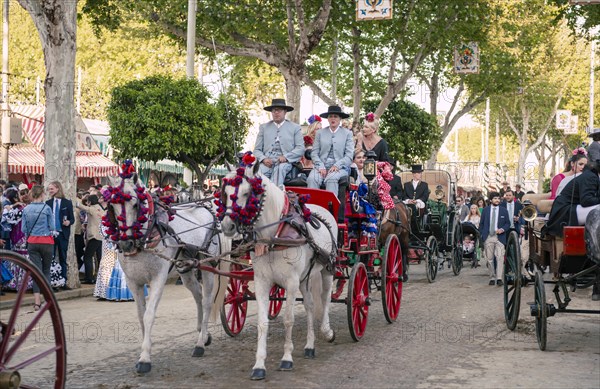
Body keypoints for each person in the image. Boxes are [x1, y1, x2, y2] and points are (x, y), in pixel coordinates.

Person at [253, 98, 304, 186]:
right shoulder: (264, 127)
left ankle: (275, 197)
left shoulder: (295, 127)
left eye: (279, 110)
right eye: (274, 110)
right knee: (256, 175)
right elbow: (256, 150)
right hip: (267, 162)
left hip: (285, 162)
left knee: (280, 169)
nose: (276, 112)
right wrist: (264, 159)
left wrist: (286, 157)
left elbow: (300, 148)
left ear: (285, 112)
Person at [21, 185, 56, 311]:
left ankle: (37, 302)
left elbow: (23, 229)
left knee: (36, 272)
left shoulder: (26, 209)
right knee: (46, 270)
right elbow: (52, 226)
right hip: (47, 241)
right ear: (42, 195)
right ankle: (48, 299)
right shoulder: (47, 208)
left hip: (32, 242)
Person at [307, 105, 354, 196]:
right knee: (312, 179)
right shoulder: (320, 133)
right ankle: (312, 208)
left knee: (331, 179)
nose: (333, 119)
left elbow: (349, 156)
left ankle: (330, 209)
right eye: (330, 116)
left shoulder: (347, 133)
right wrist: (320, 166)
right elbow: (314, 153)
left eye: (335, 116)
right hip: (321, 166)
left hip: (340, 167)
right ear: (327, 119)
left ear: (340, 119)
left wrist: (337, 165)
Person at [546, 161, 600, 237]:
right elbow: (586, 201)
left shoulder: (590, 175)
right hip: (565, 213)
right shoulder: (590, 176)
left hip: (567, 210)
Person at [46, 181, 75, 286]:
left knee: (63, 258)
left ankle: (63, 281)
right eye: (49, 189)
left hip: (63, 234)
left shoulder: (67, 203)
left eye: (51, 189)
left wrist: (69, 222)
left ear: (58, 188)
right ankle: (51, 281)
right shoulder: (48, 203)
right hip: (51, 235)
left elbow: (72, 219)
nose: (50, 191)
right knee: (51, 258)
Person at [479, 192, 511, 286]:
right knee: (489, 259)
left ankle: (499, 278)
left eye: (498, 198)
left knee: (500, 257)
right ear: (490, 200)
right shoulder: (485, 210)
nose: (497, 200)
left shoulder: (504, 210)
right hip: (488, 237)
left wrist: (502, 229)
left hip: (500, 237)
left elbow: (508, 224)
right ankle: (492, 277)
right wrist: (482, 234)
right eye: (495, 198)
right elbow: (481, 224)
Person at [76, 194, 105, 284]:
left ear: (90, 201)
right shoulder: (100, 209)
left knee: (87, 257)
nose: (87, 203)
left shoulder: (93, 208)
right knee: (99, 257)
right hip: (100, 236)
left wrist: (75, 201)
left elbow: (83, 207)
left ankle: (89, 278)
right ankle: (99, 277)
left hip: (94, 236)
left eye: (88, 201)